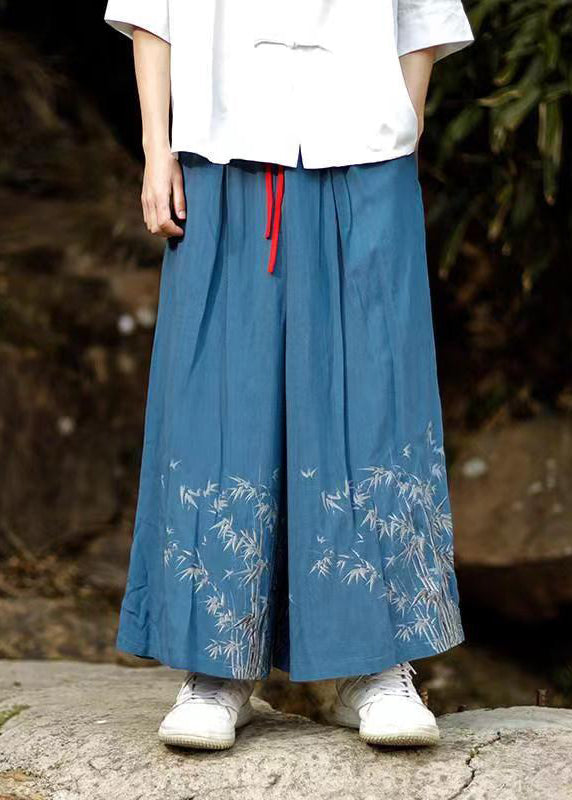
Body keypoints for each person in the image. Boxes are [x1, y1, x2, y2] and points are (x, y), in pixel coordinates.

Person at [104, 0, 474, 751]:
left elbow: (423, 18)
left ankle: (373, 667)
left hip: (365, 158)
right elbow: (152, 12)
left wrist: (401, 128)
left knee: (371, 398)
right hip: (220, 156)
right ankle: (217, 669)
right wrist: (156, 147)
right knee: (218, 400)